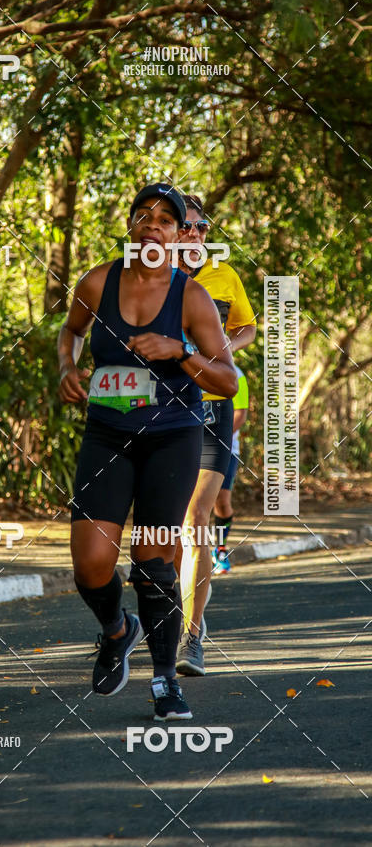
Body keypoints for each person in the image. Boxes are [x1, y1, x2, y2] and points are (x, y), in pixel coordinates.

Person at [58, 183, 237, 721]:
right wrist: (67, 368)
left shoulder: (192, 297)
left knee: (154, 561)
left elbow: (227, 378)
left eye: (167, 218)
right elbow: (69, 331)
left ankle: (164, 682)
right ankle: (117, 630)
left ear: (181, 233)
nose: (153, 224)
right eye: (144, 215)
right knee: (90, 565)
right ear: (132, 226)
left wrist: (180, 351)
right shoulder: (98, 280)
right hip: (107, 435)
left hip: (171, 439)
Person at [173, 195, 256, 677]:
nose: (197, 236)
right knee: (158, 524)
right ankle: (144, 618)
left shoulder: (223, 276)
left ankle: (192, 631)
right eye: (188, 227)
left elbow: (246, 326)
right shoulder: (149, 275)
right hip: (159, 409)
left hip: (212, 406)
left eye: (203, 228)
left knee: (196, 517)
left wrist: (228, 343)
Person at [212, 365, 249, 573]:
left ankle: (219, 549)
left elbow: (240, 415)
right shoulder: (190, 362)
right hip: (190, 446)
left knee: (222, 501)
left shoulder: (238, 375)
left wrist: (215, 438)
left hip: (226, 448)